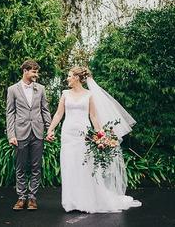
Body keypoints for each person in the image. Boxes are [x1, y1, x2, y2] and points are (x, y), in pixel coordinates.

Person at [46, 66, 142, 213]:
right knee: (69, 165)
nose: (67, 78)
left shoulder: (89, 95)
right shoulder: (65, 94)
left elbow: (93, 117)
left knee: (85, 166)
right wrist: (50, 129)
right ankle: (71, 202)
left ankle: (86, 201)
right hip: (68, 134)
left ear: (77, 78)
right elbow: (59, 114)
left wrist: (101, 136)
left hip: (84, 135)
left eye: (69, 76)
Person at [6, 59, 52, 210]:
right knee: (20, 166)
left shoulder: (41, 89)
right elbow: (10, 113)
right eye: (34, 71)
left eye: (37, 72)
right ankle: (21, 197)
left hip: (37, 132)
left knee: (35, 166)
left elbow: (45, 110)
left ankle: (32, 197)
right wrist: (11, 134)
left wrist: (49, 129)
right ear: (25, 71)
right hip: (20, 133)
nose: (36, 75)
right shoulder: (12, 89)